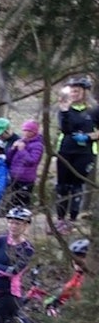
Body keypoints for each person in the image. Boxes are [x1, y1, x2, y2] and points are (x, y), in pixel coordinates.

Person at [55, 76, 97, 230]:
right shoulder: (64, 108)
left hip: (85, 152)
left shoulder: (94, 109)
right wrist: (65, 111)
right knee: (62, 186)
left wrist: (88, 137)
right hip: (65, 150)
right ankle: (60, 219)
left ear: (85, 92)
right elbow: (65, 129)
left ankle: (72, 220)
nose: (74, 93)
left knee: (77, 185)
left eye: (77, 91)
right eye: (72, 91)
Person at [6, 119, 44, 210]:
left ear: (34, 132)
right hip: (14, 177)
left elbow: (32, 161)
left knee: (23, 201)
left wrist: (22, 150)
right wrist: (12, 149)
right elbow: (9, 159)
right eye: (24, 130)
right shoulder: (20, 141)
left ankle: (23, 220)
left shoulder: (37, 145)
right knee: (14, 200)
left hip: (26, 179)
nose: (26, 133)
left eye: (29, 131)